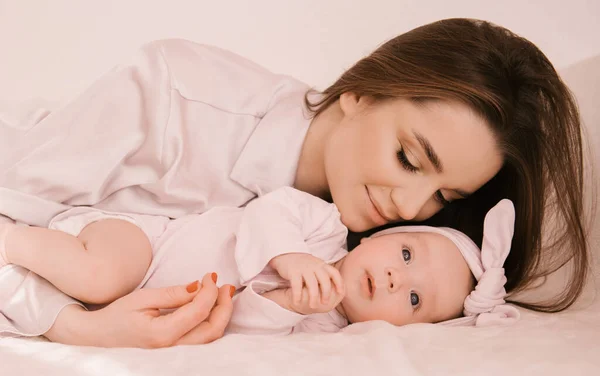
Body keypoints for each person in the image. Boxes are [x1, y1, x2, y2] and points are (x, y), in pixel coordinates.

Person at [0, 18, 588, 347]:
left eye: (443, 197)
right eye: (409, 158)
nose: (410, 206)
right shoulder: (170, 95)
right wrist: (74, 325)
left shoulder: (354, 268)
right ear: (360, 91)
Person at [0, 187, 519, 334]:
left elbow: (235, 317)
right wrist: (290, 258)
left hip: (143, 300)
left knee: (95, 296)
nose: (392, 276)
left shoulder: (320, 327)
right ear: (381, 236)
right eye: (405, 254)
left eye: (412, 297)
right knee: (101, 275)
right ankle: (12, 238)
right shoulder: (324, 227)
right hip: (141, 243)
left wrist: (286, 304)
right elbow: (268, 208)